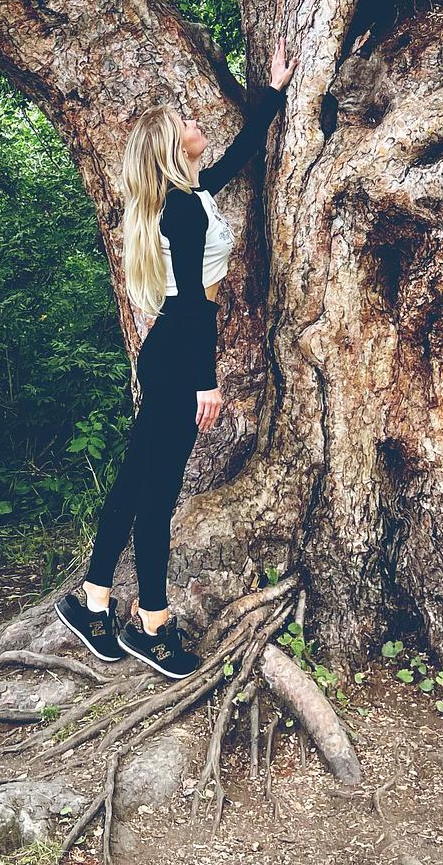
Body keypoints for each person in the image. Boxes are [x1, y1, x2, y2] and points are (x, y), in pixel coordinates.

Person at [54, 34, 296, 678]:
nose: (196, 125)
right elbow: (192, 303)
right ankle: (153, 624)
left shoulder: (187, 196)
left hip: (167, 351)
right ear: (172, 146)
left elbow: (237, 157)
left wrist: (273, 93)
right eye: (187, 123)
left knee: (138, 481)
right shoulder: (182, 211)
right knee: (157, 494)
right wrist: (205, 382)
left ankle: (93, 600)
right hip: (178, 355)